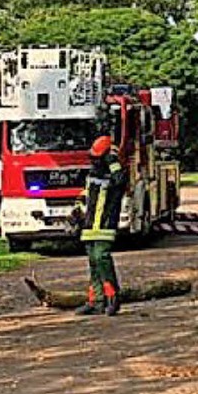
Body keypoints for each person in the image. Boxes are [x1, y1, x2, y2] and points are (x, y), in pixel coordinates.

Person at [76, 136, 128, 317]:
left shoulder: (115, 175)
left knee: (102, 258)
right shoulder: (93, 174)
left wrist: (113, 159)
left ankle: (113, 297)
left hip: (105, 224)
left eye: (99, 158)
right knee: (93, 262)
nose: (95, 161)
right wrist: (76, 212)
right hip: (89, 225)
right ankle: (96, 301)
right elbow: (85, 195)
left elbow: (121, 179)